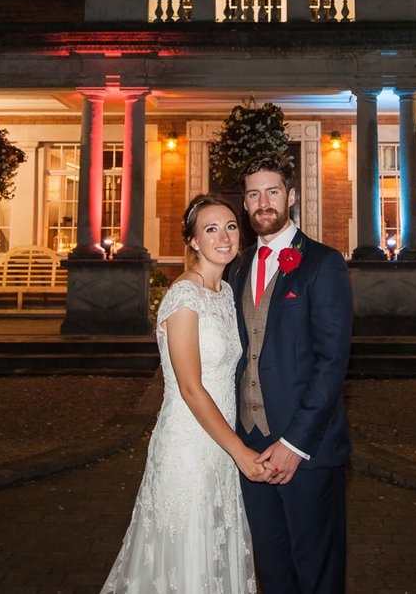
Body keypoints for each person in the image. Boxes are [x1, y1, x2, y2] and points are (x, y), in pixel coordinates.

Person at [102, 194, 265, 594]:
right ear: (192, 241)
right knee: (187, 555)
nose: (224, 236)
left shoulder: (226, 293)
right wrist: (240, 451)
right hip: (189, 446)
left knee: (217, 546)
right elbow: (191, 388)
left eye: (230, 226)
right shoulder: (183, 298)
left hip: (221, 445)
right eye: (211, 229)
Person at [232, 154, 353, 594]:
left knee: (316, 574)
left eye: (273, 191)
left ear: (292, 197)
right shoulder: (238, 266)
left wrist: (294, 444)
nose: (263, 202)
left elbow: (331, 362)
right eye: (253, 194)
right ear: (245, 204)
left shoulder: (324, 262)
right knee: (274, 573)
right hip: (251, 448)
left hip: (306, 451)